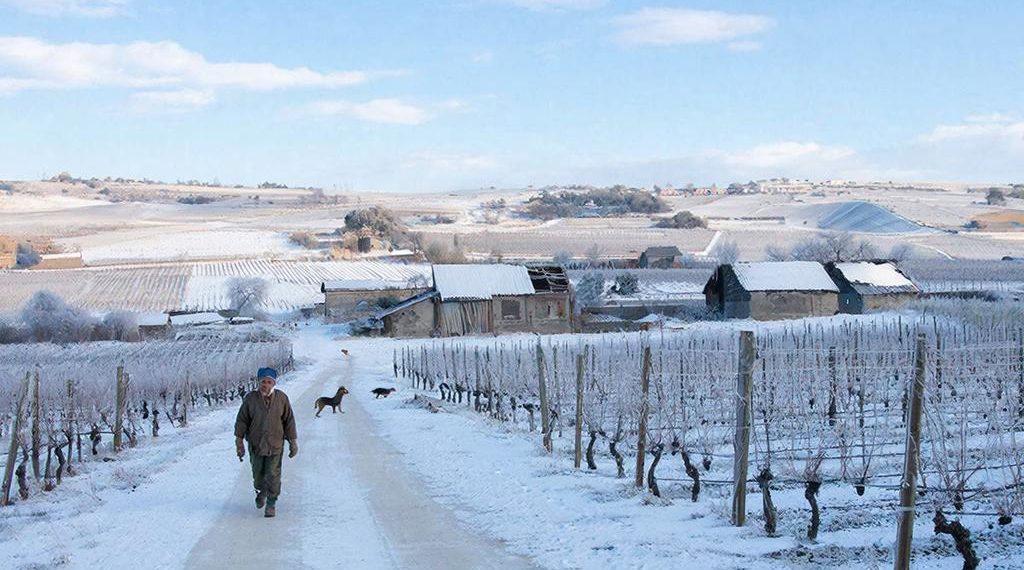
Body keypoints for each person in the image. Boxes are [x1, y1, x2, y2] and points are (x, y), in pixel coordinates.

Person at [234, 367, 297, 518]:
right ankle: (261, 491)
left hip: (275, 443)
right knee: (258, 474)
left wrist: (293, 441)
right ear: (259, 382)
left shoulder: (281, 398)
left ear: (274, 383)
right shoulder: (250, 399)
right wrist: (239, 442)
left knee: (273, 474)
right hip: (256, 444)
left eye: (269, 382)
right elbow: (242, 421)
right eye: (263, 381)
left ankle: (271, 502)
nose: (266, 385)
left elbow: (289, 421)